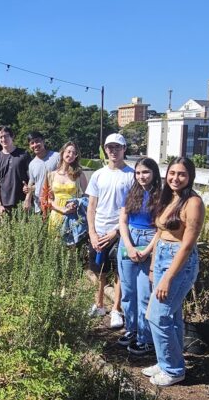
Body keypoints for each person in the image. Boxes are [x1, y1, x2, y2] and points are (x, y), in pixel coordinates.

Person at [142, 157, 204, 387]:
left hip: (179, 262)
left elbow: (187, 245)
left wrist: (168, 277)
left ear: (190, 177)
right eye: (172, 173)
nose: (175, 178)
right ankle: (166, 361)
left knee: (157, 315)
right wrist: (153, 265)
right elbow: (160, 234)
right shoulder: (169, 198)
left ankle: (174, 370)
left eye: (181, 174)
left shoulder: (193, 203)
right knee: (173, 316)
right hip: (162, 258)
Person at [86, 133, 134, 326]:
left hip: (120, 231)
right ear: (105, 150)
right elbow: (91, 206)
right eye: (110, 147)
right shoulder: (98, 174)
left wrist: (116, 231)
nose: (113, 151)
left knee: (119, 271)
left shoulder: (131, 175)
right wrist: (92, 232)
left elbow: (132, 207)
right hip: (99, 229)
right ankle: (98, 304)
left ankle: (116, 309)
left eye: (118, 147)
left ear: (124, 149)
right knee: (99, 270)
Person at [116, 157, 161, 357]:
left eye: (146, 172)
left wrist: (148, 250)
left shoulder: (161, 195)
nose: (141, 176)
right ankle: (131, 329)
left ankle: (145, 338)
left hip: (150, 239)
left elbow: (161, 228)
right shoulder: (130, 191)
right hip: (129, 238)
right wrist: (128, 245)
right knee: (127, 290)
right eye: (138, 172)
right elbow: (123, 220)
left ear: (154, 173)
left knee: (144, 294)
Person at [46, 141, 87, 235]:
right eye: (68, 151)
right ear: (63, 152)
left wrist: (77, 203)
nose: (71, 155)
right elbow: (48, 199)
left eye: (74, 153)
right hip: (56, 214)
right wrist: (61, 209)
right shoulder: (51, 175)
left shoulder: (79, 174)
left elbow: (87, 196)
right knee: (55, 246)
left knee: (71, 247)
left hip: (72, 215)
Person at [0, 126, 31, 215]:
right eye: (1, 137)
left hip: (22, 202)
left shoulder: (24, 154)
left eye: (6, 136)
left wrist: (28, 198)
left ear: (12, 137)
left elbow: (32, 179)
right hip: (4, 205)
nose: (3, 139)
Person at [23, 131, 59, 215]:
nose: (35, 145)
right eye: (32, 143)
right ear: (29, 146)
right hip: (39, 206)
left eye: (37, 141)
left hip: (56, 204)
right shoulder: (32, 164)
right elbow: (32, 184)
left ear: (43, 141)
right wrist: (27, 199)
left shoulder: (56, 156)